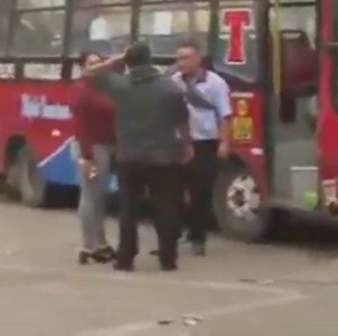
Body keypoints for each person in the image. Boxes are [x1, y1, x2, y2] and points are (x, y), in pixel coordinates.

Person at [85, 42, 191, 272]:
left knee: (128, 210)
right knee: (164, 207)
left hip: (129, 157)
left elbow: (91, 73)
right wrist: (187, 146)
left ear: (129, 62)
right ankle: (167, 258)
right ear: (150, 59)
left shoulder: (121, 86)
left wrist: (118, 59)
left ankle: (126, 258)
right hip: (162, 158)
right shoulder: (169, 88)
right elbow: (182, 121)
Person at [170, 40, 232, 256]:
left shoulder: (215, 83)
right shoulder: (174, 82)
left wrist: (224, 142)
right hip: (178, 144)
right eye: (179, 58)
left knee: (200, 193)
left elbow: (225, 115)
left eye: (186, 58)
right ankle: (172, 236)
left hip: (205, 143)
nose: (181, 63)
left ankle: (198, 238)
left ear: (198, 59)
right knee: (174, 192)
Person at [72, 49, 117, 264]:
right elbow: (81, 127)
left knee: (99, 197)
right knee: (90, 196)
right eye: (91, 63)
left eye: (99, 62)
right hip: (91, 148)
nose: (97, 66)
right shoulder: (83, 89)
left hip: (105, 147)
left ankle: (100, 243)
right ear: (83, 67)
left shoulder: (103, 87)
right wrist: (86, 156)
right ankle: (87, 245)